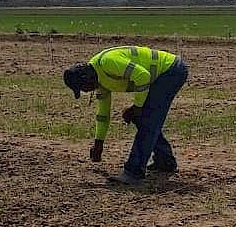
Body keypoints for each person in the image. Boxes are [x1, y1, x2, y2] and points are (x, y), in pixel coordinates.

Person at [64, 45, 189, 185]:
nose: (86, 92)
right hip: (162, 75)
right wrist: (99, 143)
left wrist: (136, 107)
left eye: (82, 87)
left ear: (86, 77)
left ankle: (134, 172)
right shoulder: (99, 82)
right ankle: (164, 161)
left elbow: (143, 76)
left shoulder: (107, 63)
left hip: (170, 70)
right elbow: (103, 114)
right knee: (144, 119)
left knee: (148, 120)